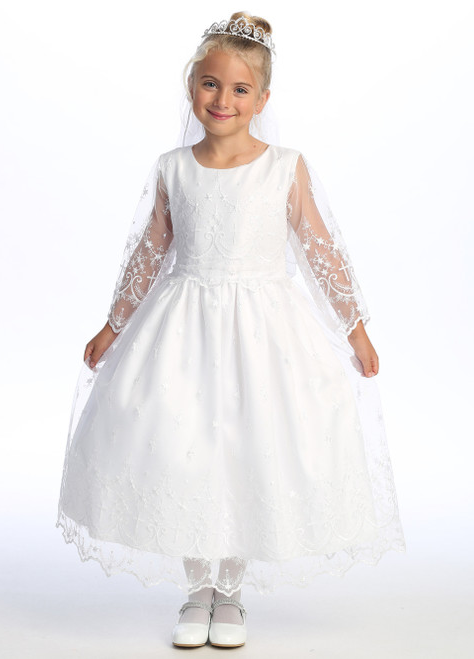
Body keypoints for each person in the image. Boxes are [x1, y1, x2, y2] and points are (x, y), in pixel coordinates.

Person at [56, 12, 406, 650]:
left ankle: (233, 593)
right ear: (192, 87)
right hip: (183, 331)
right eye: (211, 85)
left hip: (265, 334)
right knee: (188, 447)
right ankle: (197, 589)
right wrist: (112, 325)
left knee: (249, 447)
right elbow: (149, 252)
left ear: (263, 100)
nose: (224, 100)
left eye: (240, 89)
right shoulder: (173, 168)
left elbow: (320, 250)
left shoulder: (285, 167)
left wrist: (355, 328)